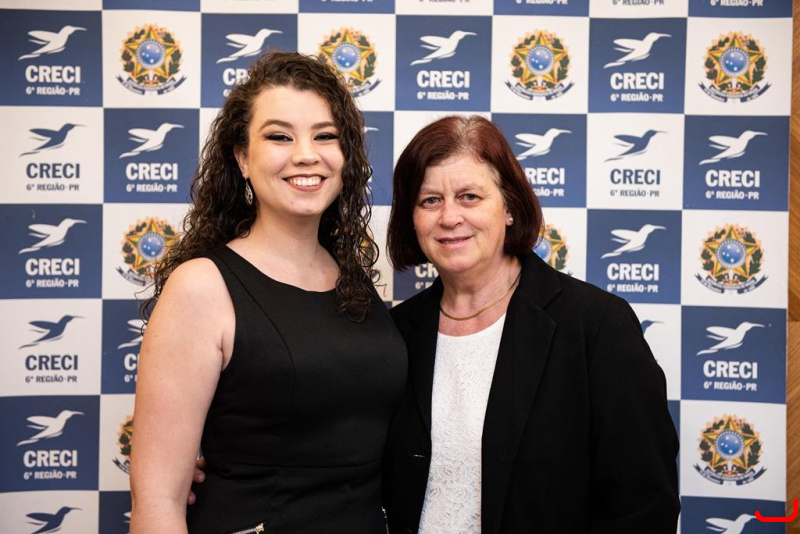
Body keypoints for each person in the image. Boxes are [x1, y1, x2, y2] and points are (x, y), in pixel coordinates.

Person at [129, 51, 407, 534]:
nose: (306, 154)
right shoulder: (201, 286)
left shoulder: (353, 279)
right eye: (280, 136)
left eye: (325, 136)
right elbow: (157, 502)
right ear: (242, 158)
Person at [382, 115, 680, 533]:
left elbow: (643, 507)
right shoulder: (394, 333)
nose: (449, 217)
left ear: (509, 208)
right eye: (430, 200)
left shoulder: (596, 326)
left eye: (469, 196)